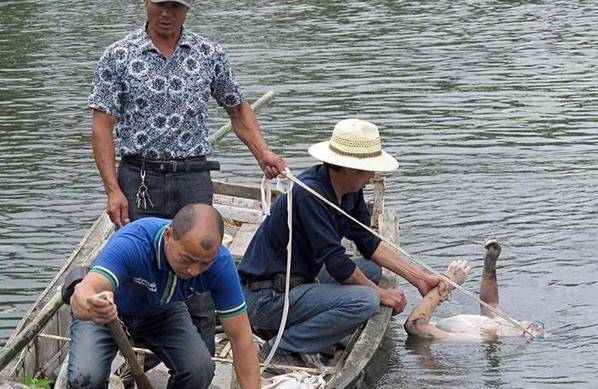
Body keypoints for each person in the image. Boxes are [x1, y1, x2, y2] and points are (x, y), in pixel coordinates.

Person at [87, 0, 286, 376]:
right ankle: (137, 355)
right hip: (139, 177)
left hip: (192, 176)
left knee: (198, 268)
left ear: (187, 9)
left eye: (176, 6)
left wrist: (264, 153)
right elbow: (103, 125)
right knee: (139, 268)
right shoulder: (119, 55)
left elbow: (237, 109)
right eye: (161, 4)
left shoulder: (209, 53)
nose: (167, 14)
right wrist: (112, 189)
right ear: (147, 4)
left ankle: (199, 365)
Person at [237, 119, 445, 367]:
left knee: (371, 269)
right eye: (369, 170)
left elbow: (368, 241)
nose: (372, 177)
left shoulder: (349, 190)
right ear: (349, 168)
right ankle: (284, 346)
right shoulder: (310, 195)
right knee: (365, 300)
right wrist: (380, 294)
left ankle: (314, 329)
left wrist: (419, 278)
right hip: (267, 297)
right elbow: (337, 263)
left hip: (300, 280)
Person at [68, 204, 260, 389]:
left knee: (199, 370)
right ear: (168, 236)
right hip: (107, 313)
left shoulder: (221, 264)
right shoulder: (132, 243)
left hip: (162, 311)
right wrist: (89, 305)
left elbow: (241, 340)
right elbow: (84, 292)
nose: (194, 271)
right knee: (86, 377)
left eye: (204, 264)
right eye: (187, 259)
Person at [404, 239, 549, 342]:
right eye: (532, 325)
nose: (529, 323)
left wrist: (449, 283)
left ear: (517, 336)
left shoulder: (473, 337)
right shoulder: (497, 324)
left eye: (529, 328)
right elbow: (490, 304)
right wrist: (490, 262)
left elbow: (415, 327)